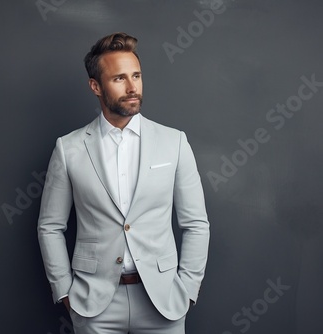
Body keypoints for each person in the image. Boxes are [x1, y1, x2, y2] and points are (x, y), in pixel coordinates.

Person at [37, 32, 210, 334]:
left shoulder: (174, 142)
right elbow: (50, 226)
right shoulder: (69, 148)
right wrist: (63, 290)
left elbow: (196, 223)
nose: (132, 88)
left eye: (137, 76)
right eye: (119, 79)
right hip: (94, 304)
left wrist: (189, 288)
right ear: (95, 86)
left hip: (163, 301)